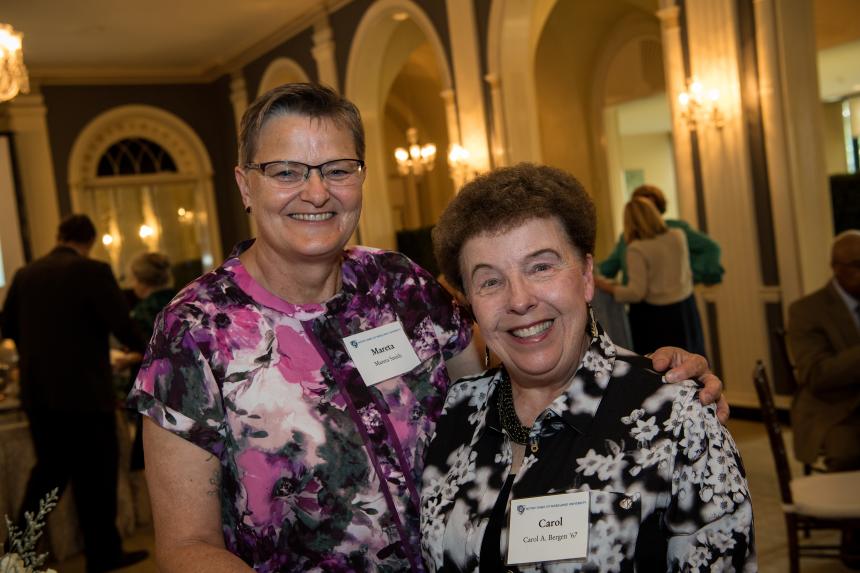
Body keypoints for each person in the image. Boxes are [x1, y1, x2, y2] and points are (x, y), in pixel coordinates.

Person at [129, 83, 726, 572]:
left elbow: (508, 388)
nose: (316, 191)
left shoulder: (402, 287)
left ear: (362, 179)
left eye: (337, 169)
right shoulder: (193, 331)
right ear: (245, 185)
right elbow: (186, 547)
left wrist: (648, 385)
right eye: (286, 171)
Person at [422, 164, 754, 572]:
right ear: (470, 302)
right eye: (489, 281)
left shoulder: (676, 418)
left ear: (586, 276)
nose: (520, 300)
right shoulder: (457, 409)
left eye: (541, 267)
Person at [0, 214, 149, 573]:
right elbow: (122, 326)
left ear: (58, 236)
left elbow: (7, 327)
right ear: (89, 241)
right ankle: (104, 555)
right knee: (95, 477)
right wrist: (148, 350)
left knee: (47, 474)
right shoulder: (93, 272)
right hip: (85, 393)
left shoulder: (25, 274)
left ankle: (13, 555)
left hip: (40, 396)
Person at [788, 229, 860, 472]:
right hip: (834, 409)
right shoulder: (807, 311)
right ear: (836, 267)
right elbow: (817, 375)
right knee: (848, 453)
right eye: (857, 264)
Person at [595, 198, 706, 356]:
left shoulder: (636, 249)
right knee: (690, 360)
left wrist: (607, 287)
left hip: (656, 319)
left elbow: (636, 293)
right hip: (686, 309)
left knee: (661, 368)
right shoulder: (678, 236)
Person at [598, 184, 724, 286]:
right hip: (637, 305)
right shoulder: (626, 237)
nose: (646, 213)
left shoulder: (675, 231)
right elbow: (609, 267)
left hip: (670, 303)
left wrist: (689, 276)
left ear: (659, 209)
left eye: (651, 207)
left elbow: (711, 248)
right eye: (641, 207)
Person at [126, 252, 177, 470]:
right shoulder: (183, 299)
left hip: (155, 390)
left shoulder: (142, 312)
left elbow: (146, 351)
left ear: (141, 281)